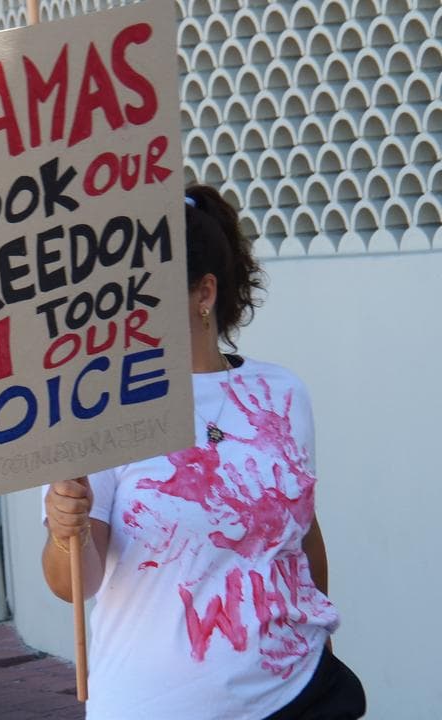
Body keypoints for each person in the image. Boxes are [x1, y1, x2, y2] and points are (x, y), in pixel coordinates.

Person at [42, 185, 366, 719]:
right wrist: (63, 531)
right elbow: (73, 583)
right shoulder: (97, 408)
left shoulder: (281, 394)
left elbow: (303, 536)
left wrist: (321, 644)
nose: (124, 306)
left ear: (204, 293)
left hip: (298, 694)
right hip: (157, 706)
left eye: (142, 288)